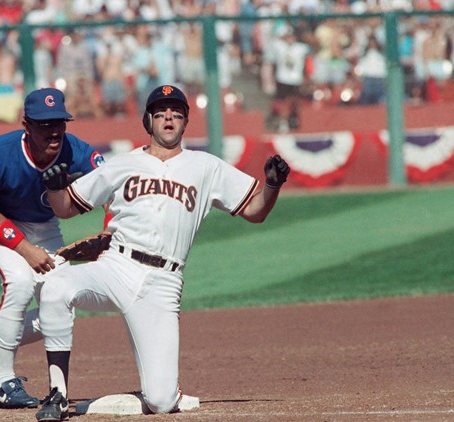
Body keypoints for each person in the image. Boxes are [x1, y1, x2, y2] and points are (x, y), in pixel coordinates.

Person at [33, 85, 290, 421]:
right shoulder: (124, 164)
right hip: (117, 266)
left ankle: (90, 405)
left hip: (164, 283)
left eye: (177, 112)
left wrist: (272, 185)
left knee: (161, 401)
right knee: (56, 287)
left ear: (185, 123)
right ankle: (57, 393)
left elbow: (255, 211)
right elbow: (66, 207)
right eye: (161, 112)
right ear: (148, 121)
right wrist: (54, 188)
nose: (169, 116)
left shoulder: (206, 167)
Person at [0, 87, 105, 409]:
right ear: (26, 125)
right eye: (43, 124)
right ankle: (3, 381)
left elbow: (111, 189)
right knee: (20, 283)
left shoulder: (78, 152)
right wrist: (25, 249)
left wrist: (108, 231)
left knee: (61, 298)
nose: (53, 131)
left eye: (59, 122)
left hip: (46, 226)